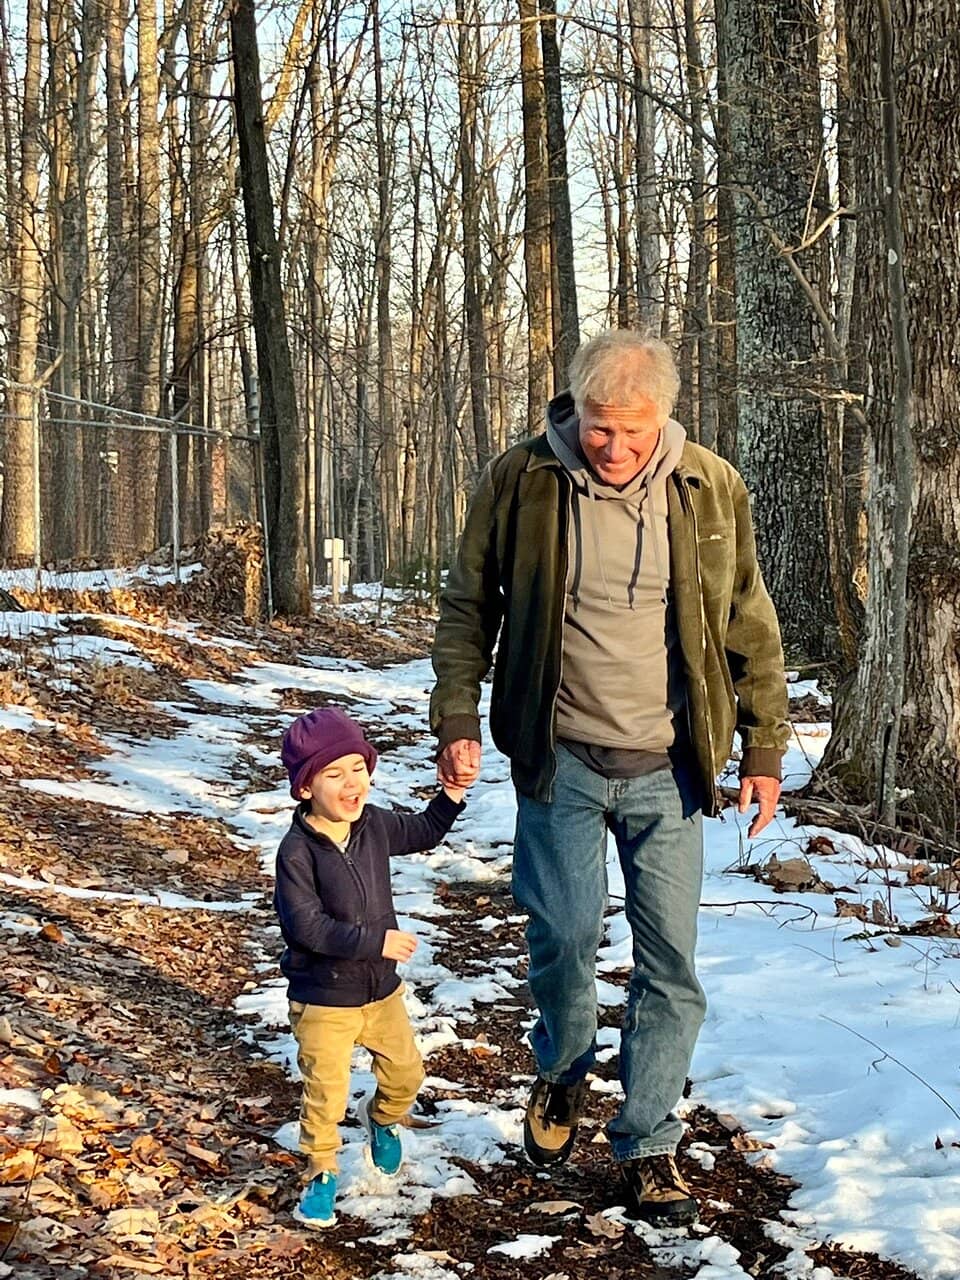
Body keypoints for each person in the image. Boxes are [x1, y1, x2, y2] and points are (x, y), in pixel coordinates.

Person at [430, 329, 788, 1226]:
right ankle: (562, 1066)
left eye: (633, 431)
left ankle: (648, 1139)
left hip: (672, 766)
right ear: (575, 409)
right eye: (598, 428)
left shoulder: (710, 485)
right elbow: (470, 603)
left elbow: (748, 616)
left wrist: (765, 749)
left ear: (663, 417)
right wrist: (458, 718)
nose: (615, 449)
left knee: (671, 964)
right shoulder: (524, 480)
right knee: (561, 934)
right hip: (561, 756)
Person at [275, 706, 466, 1229]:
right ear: (304, 789)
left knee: (407, 1075)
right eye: (333, 774)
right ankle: (321, 1171)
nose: (351, 783)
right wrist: (373, 941)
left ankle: (382, 1120)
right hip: (323, 998)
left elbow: (424, 831)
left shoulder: (374, 825)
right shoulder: (297, 852)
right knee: (326, 1092)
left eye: (358, 767)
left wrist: (450, 794)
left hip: (380, 993)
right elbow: (307, 928)